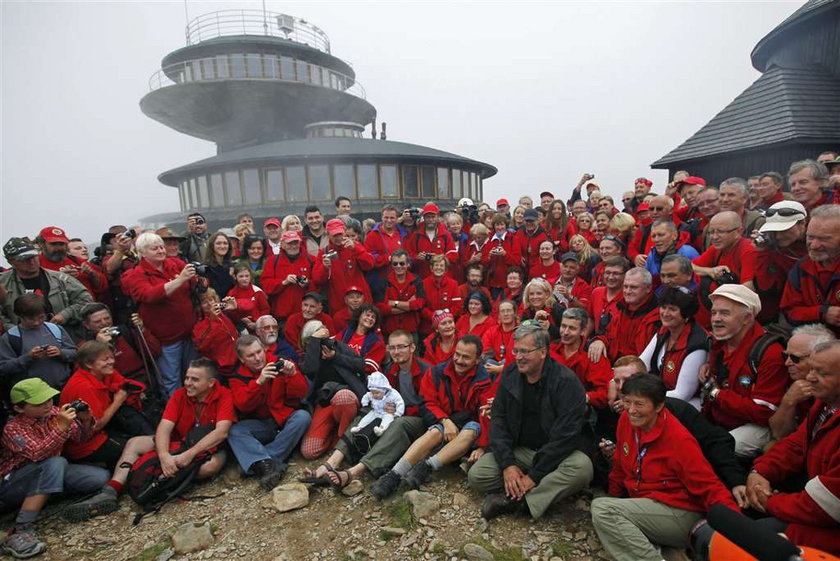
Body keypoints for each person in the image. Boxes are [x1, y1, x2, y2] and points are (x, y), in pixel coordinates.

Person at [63, 358, 235, 520]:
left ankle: (156, 480)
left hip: (205, 449)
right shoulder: (180, 395)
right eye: (187, 377)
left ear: (211, 382)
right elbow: (164, 427)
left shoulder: (223, 395)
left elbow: (220, 433)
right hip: (177, 444)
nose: (188, 383)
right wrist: (164, 456)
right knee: (134, 443)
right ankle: (111, 490)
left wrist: (188, 455)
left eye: (195, 379)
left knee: (210, 467)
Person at [591, 374, 739, 561]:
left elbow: (709, 486)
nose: (631, 410)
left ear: (659, 406)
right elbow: (620, 465)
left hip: (679, 512)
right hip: (647, 503)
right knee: (608, 510)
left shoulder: (679, 440)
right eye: (627, 402)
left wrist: (738, 531)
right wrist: (615, 496)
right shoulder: (626, 422)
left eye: (639, 404)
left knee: (603, 510)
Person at [468, 323, 594, 519]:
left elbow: (565, 437)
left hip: (557, 454)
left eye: (525, 352)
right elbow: (499, 421)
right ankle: (541, 487)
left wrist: (534, 476)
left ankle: (519, 502)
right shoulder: (510, 374)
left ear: (543, 352)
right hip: (523, 450)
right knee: (478, 476)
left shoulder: (566, 382)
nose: (518, 357)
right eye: (516, 350)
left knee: (582, 468)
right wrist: (508, 465)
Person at [298, 330, 431, 489]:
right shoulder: (389, 369)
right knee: (366, 412)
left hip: (419, 421)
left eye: (401, 347)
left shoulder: (426, 370)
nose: (396, 352)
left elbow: (430, 406)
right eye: (392, 348)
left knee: (399, 423)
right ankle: (331, 463)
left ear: (412, 348)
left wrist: (397, 412)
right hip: (392, 413)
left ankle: (353, 472)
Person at [745, 339, 840, 555]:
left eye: (823, 373)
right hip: (814, 511)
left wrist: (770, 501)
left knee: (756, 534)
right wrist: (759, 472)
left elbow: (824, 506)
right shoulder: (825, 403)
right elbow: (795, 445)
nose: (810, 377)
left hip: (827, 526)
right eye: (812, 369)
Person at [370, 335, 493, 498]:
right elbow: (428, 402)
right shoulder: (437, 372)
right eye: (457, 354)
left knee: (470, 430)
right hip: (446, 420)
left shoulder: (485, 380)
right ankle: (394, 475)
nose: (459, 360)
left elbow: (486, 414)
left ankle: (426, 468)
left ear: (477, 360)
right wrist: (444, 420)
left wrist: (483, 446)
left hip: (472, 427)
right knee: (435, 431)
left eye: (466, 357)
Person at [0, 379, 107, 558]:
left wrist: (86, 420)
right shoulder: (13, 428)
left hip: (50, 471)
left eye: (49, 399)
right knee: (55, 463)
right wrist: (61, 426)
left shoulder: (55, 413)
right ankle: (21, 529)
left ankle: (46, 497)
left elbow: (82, 438)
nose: (47, 404)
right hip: (14, 483)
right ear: (19, 408)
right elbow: (38, 454)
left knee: (98, 478)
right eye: (39, 403)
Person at [701, 284, 788, 457]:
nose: (716, 319)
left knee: (718, 450)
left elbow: (764, 413)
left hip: (756, 426)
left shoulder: (769, 353)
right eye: (713, 313)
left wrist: (717, 394)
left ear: (747, 318)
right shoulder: (718, 343)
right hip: (720, 418)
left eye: (725, 313)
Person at [228, 336, 310, 489]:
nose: (258, 358)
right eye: (251, 355)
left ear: (264, 349)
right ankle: (269, 463)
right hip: (260, 423)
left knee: (303, 417)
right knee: (235, 431)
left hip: (283, 417)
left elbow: (301, 393)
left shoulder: (279, 362)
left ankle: (260, 462)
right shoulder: (237, 376)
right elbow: (242, 405)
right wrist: (259, 382)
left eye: (259, 352)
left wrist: (293, 375)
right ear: (241, 359)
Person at [121, 232, 197, 398]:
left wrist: (197, 279)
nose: (161, 250)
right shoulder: (135, 274)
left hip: (189, 333)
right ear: (142, 253)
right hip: (166, 339)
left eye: (162, 247)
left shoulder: (175, 263)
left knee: (192, 375)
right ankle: (175, 415)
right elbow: (148, 295)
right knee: (171, 380)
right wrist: (179, 280)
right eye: (155, 248)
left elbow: (193, 285)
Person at [59, 341, 151, 470]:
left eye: (111, 357)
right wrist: (117, 401)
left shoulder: (104, 373)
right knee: (136, 450)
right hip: (86, 445)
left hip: (105, 431)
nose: (111, 362)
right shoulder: (84, 387)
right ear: (89, 364)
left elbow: (126, 385)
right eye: (105, 359)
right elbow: (95, 426)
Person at [1, 237, 93, 342]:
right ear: (11, 261)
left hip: (64, 337)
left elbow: (86, 300)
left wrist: (65, 315)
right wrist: (15, 330)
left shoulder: (61, 279)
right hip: (21, 342)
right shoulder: (2, 283)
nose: (31, 261)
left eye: (33, 256)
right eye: (25, 259)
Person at [299, 320, 368, 459]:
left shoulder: (338, 346)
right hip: (324, 401)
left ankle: (343, 446)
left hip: (346, 396)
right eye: (315, 340)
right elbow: (310, 369)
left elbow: (360, 364)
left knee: (343, 398)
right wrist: (314, 342)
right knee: (309, 451)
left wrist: (335, 356)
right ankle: (334, 436)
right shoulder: (308, 357)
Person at [639, 286, 707, 408]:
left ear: (686, 314)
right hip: (659, 396)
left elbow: (682, 394)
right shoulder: (664, 331)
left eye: (672, 309)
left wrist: (640, 397)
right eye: (663, 307)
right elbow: (641, 364)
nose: (665, 313)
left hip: (688, 405)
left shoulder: (696, 344)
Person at [780, 204, 840, 337]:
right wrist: (822, 313)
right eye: (810, 237)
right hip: (813, 342)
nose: (814, 245)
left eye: (824, 239)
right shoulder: (802, 267)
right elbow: (790, 312)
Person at [768, 323, 835, 440]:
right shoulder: (792, 381)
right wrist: (788, 401)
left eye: (795, 358)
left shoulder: (833, 391)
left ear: (817, 358)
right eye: (785, 356)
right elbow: (778, 433)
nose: (787, 363)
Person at [0, 293, 77, 391]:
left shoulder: (55, 329)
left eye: (41, 317)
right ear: (20, 316)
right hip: (31, 394)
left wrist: (60, 353)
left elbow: (74, 353)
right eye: (31, 319)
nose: (36, 322)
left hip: (62, 387)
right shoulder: (11, 337)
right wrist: (28, 357)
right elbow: (4, 368)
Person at [752, 201, 808, 325]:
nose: (778, 236)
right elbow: (765, 287)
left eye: (784, 230)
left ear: (802, 223)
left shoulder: (821, 243)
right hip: (786, 313)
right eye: (774, 231)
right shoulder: (772, 251)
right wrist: (762, 252)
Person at [589, 267, 659, 363]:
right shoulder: (618, 309)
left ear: (648, 288)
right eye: (625, 286)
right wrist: (599, 340)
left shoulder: (658, 318)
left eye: (633, 287)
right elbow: (604, 333)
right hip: (613, 364)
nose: (627, 291)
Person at [82, 302, 161, 383]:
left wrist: (142, 330)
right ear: (87, 325)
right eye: (97, 321)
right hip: (115, 386)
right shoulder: (85, 347)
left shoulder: (125, 332)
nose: (104, 323)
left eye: (107, 318)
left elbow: (155, 352)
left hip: (142, 379)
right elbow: (87, 374)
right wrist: (98, 346)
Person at [550, 308, 612, 408]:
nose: (565, 332)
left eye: (572, 328)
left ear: (583, 331)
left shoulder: (593, 355)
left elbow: (605, 392)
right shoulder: (551, 349)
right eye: (563, 326)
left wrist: (582, 397)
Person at [312, 218, 374, 314]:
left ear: (344, 232)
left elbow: (369, 265)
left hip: (361, 299)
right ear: (328, 235)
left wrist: (355, 249)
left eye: (340, 234)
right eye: (334, 235)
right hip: (339, 302)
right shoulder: (324, 252)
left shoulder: (355, 246)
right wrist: (324, 267)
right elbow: (317, 279)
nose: (338, 238)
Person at [692, 210, 757, 298]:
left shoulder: (747, 249)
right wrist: (710, 271)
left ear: (739, 231)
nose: (714, 237)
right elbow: (688, 268)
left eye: (721, 232)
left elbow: (748, 289)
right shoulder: (717, 248)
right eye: (711, 232)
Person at [36, 227, 107, 301]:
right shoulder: (35, 264)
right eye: (54, 244)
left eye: (62, 244)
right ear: (41, 244)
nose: (59, 248)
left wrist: (92, 273)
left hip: (87, 307)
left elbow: (103, 286)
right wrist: (60, 278)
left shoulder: (76, 260)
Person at [259, 230, 312, 321]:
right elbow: (265, 285)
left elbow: (319, 283)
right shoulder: (272, 261)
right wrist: (283, 282)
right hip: (280, 316)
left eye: (296, 243)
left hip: (305, 315)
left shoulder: (310, 260)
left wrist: (307, 284)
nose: (294, 246)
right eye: (290, 243)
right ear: (283, 245)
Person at [377, 249, 426, 337]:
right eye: (395, 263)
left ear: (408, 264)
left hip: (411, 331)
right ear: (391, 265)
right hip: (390, 332)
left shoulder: (416, 281)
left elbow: (419, 304)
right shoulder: (384, 282)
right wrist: (409, 306)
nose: (398, 266)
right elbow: (381, 308)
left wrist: (393, 303)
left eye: (402, 263)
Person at [364, 205, 406, 301]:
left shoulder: (402, 234)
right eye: (386, 217)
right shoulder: (372, 235)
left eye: (392, 218)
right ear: (381, 217)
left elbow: (409, 255)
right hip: (379, 282)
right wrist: (387, 259)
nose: (389, 220)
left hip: (400, 281)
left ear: (397, 218)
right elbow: (367, 258)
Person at [192, 289, 239, 375]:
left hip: (236, 362)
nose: (209, 304)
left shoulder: (221, 314)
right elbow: (201, 345)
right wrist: (213, 320)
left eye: (211, 300)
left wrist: (235, 309)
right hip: (220, 369)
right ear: (199, 306)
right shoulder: (199, 322)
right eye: (204, 302)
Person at [405, 203, 455, 279]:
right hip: (422, 276)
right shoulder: (416, 234)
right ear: (424, 218)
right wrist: (417, 257)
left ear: (438, 217)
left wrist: (440, 258)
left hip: (442, 277)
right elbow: (409, 253)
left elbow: (453, 253)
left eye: (433, 217)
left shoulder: (445, 234)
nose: (431, 220)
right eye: (428, 217)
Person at [351, 371, 404, 436]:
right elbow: (366, 396)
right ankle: (359, 427)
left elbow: (400, 402)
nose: (374, 395)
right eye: (372, 392)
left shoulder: (392, 394)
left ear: (384, 389)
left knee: (388, 419)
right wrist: (365, 402)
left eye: (377, 393)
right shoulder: (372, 394)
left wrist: (398, 413)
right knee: (367, 418)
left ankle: (381, 429)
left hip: (386, 413)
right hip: (375, 411)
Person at [421, 255, 462, 335]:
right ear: (431, 268)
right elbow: (421, 307)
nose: (438, 268)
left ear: (446, 269)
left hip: (447, 328)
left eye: (441, 265)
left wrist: (444, 317)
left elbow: (458, 306)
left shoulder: (453, 284)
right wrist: (433, 316)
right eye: (436, 265)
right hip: (428, 328)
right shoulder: (423, 284)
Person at [224, 263, 270, 331]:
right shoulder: (231, 293)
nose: (244, 279)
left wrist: (257, 323)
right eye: (241, 276)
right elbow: (230, 313)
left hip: (258, 326)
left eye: (247, 276)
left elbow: (266, 309)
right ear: (235, 276)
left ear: (250, 276)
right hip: (240, 327)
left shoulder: (257, 291)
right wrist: (240, 318)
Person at [512, 209, 549, 273]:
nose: (529, 223)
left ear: (537, 221)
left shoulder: (543, 235)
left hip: (538, 268)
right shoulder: (520, 232)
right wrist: (519, 257)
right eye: (527, 220)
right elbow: (515, 249)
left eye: (532, 221)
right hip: (521, 268)